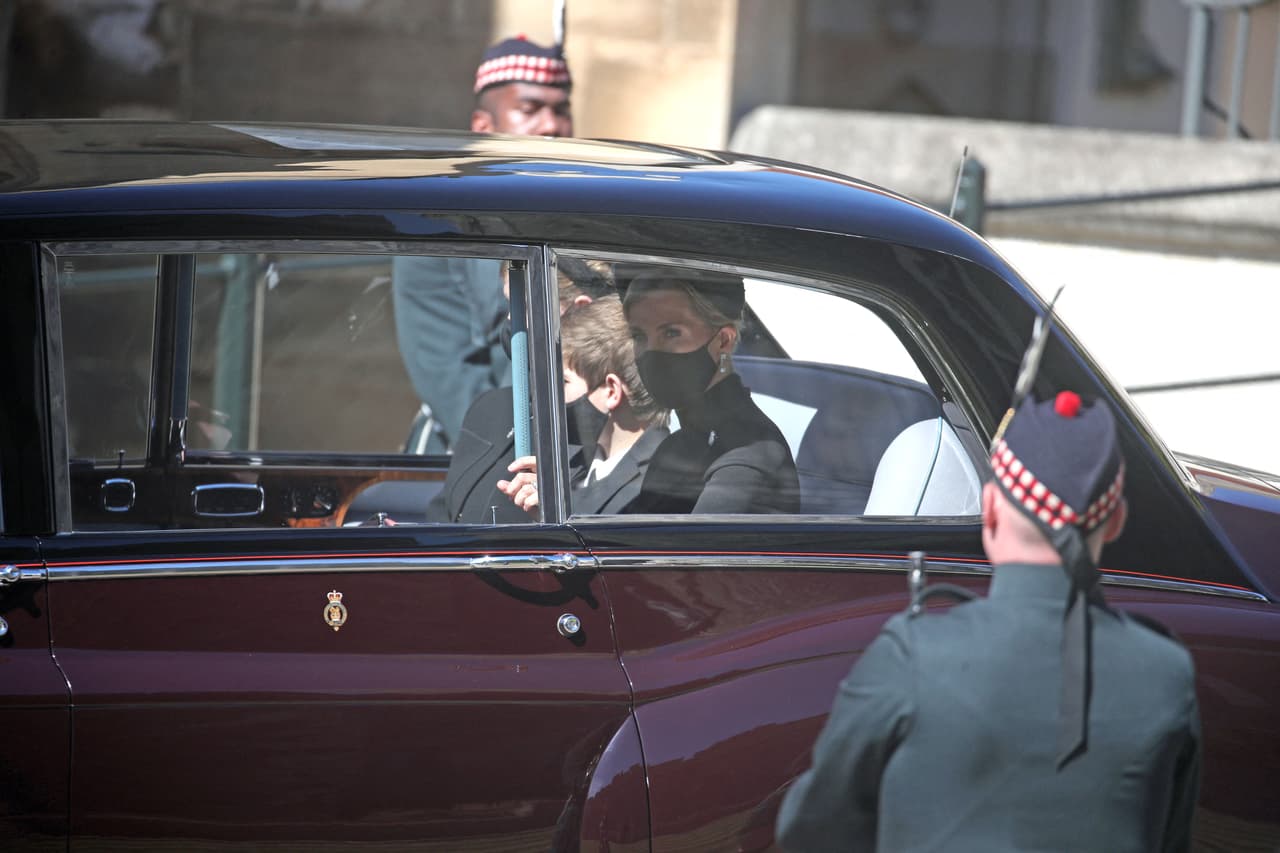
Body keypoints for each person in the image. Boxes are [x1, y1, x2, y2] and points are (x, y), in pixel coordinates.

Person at [775, 390, 1201, 852]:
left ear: (992, 508)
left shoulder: (916, 654)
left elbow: (811, 830)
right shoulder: (1164, 673)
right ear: (1115, 521)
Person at [393, 35, 574, 452]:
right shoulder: (438, 229)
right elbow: (452, 380)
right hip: (480, 458)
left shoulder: (596, 215)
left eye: (561, 110)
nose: (551, 126)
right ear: (483, 126)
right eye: (529, 110)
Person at [424, 258, 609, 524]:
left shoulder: (611, 427)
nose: (511, 322)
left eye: (522, 308)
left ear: (579, 310)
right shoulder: (490, 410)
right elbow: (444, 514)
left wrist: (560, 503)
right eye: (508, 306)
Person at [619, 270, 800, 514]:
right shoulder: (678, 445)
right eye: (639, 336)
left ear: (723, 341)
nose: (651, 352)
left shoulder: (745, 456)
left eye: (671, 333)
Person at [498, 295, 670, 517]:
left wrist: (559, 511)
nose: (553, 394)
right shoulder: (574, 466)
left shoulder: (657, 481)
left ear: (611, 391)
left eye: (564, 382)